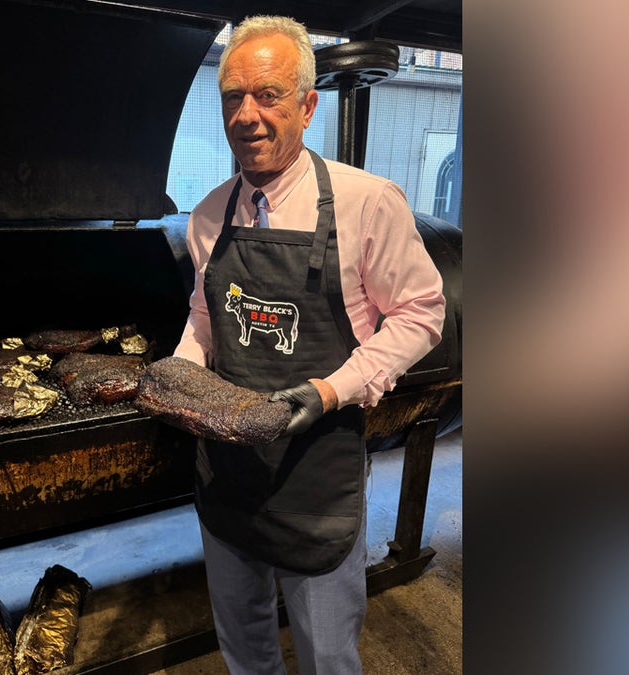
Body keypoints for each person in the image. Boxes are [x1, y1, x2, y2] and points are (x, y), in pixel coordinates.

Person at [171, 15, 446, 675]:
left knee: (327, 657)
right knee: (246, 650)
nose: (247, 114)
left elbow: (422, 311)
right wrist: (179, 374)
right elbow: (204, 318)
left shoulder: (368, 204)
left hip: (315, 484)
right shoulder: (208, 216)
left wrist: (329, 390)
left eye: (267, 94)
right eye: (233, 97)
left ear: (307, 104)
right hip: (227, 480)